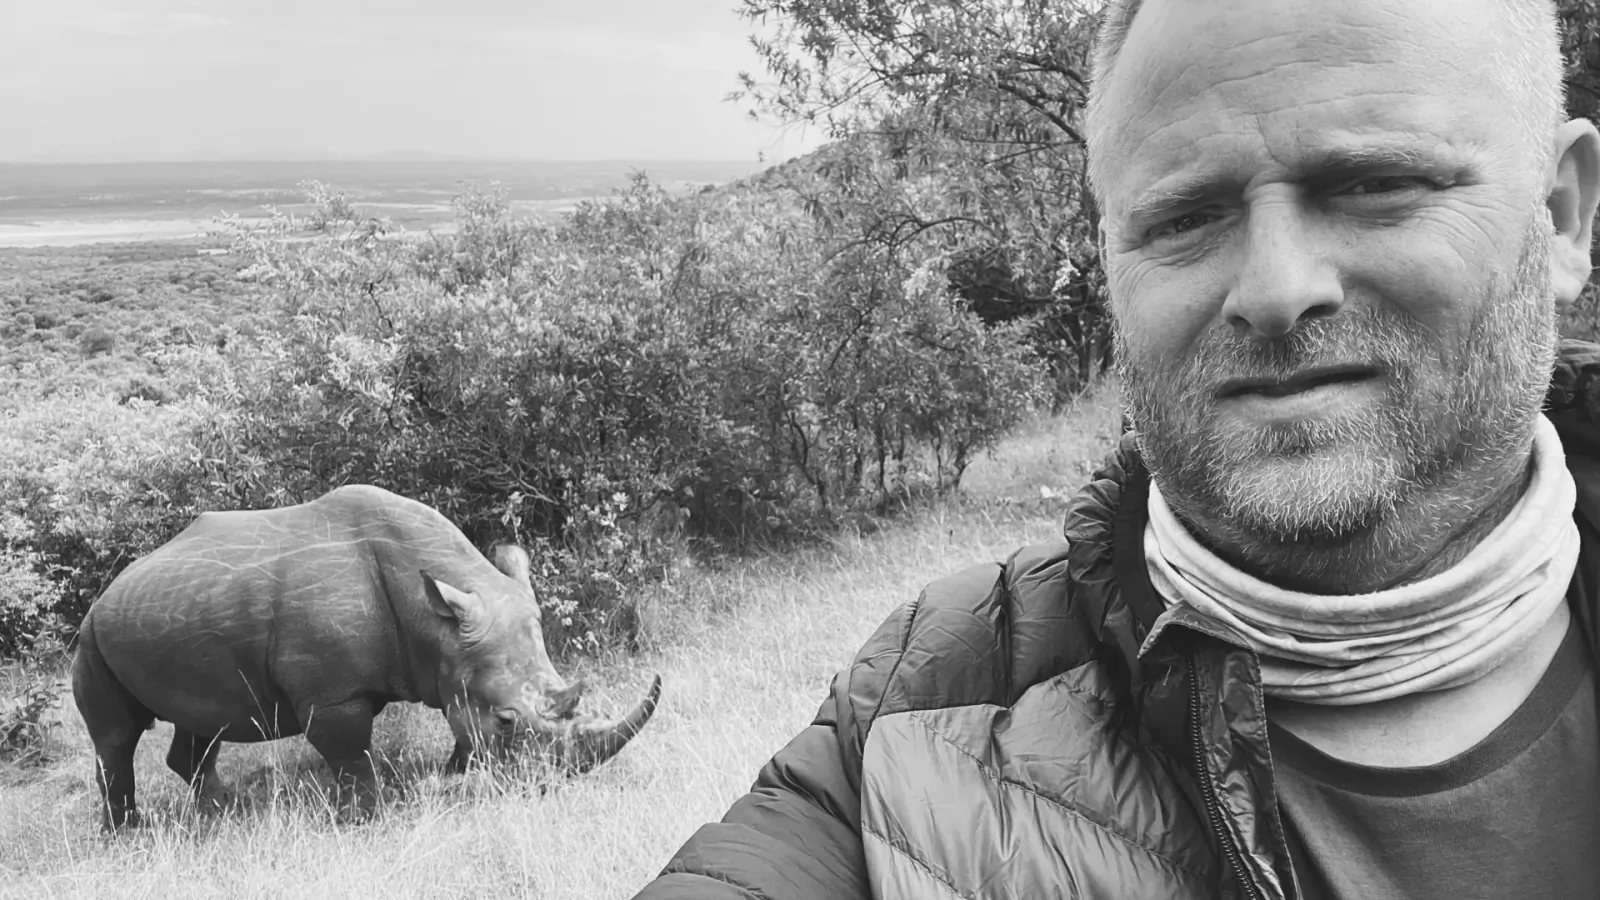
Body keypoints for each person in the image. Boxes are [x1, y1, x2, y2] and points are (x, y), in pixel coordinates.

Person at [629, 0, 1600, 896]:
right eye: (1182, 218)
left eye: (1378, 184)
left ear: (1560, 218)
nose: (1272, 287)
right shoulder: (925, 726)